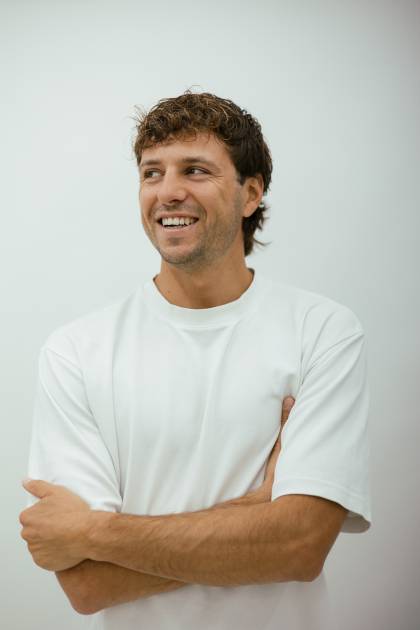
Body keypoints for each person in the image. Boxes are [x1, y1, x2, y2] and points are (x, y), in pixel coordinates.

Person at [19, 90, 371, 630]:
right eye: (151, 173)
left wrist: (90, 532)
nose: (168, 192)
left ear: (251, 193)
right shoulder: (76, 352)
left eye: (196, 170)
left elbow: (300, 547)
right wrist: (259, 511)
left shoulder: (322, 332)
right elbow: (88, 585)